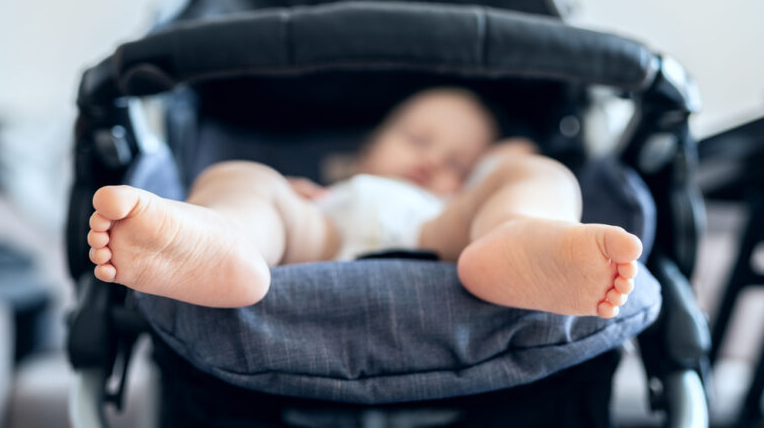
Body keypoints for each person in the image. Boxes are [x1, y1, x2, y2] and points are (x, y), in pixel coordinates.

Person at [86, 88, 640, 318]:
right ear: (361, 152)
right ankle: (220, 238)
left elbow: (511, 159)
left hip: (441, 236)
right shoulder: (330, 187)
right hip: (320, 234)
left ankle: (523, 238)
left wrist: (497, 167)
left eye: (458, 163)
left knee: (537, 174)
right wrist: (286, 197)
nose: (434, 162)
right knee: (242, 179)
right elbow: (292, 198)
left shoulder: (460, 199)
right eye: (419, 141)